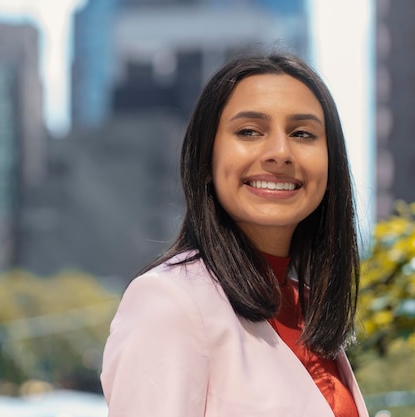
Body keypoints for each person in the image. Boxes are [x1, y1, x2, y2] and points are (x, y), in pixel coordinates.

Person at [100, 53, 370, 417]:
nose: (279, 153)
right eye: (249, 131)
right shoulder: (170, 301)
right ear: (206, 160)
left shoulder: (305, 307)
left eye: (303, 133)